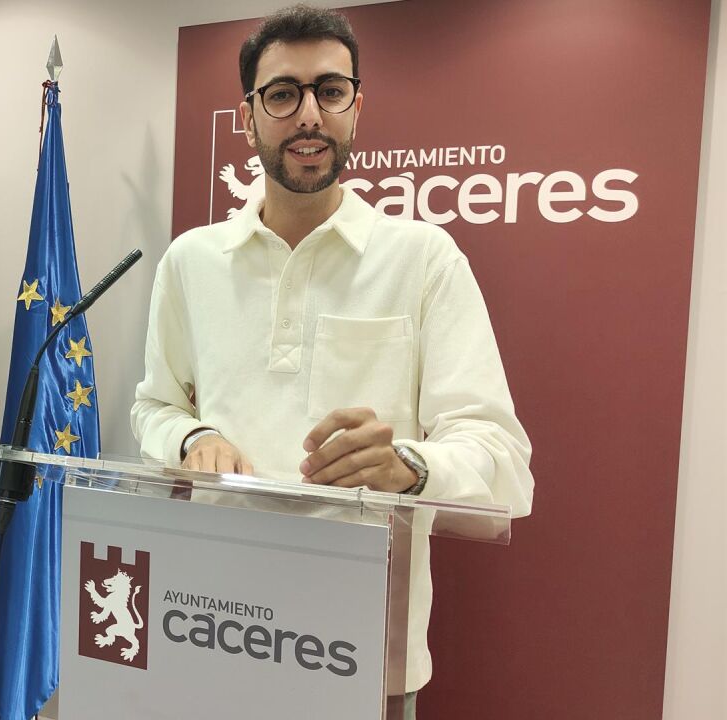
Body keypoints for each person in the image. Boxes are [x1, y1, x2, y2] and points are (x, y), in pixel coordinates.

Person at [130, 4, 534, 716]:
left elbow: (503, 463)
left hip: (360, 651)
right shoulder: (191, 261)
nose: (309, 115)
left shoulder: (423, 259)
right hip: (210, 623)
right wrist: (192, 438)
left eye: (331, 91)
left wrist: (407, 466)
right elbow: (154, 407)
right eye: (283, 94)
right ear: (248, 118)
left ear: (356, 108)